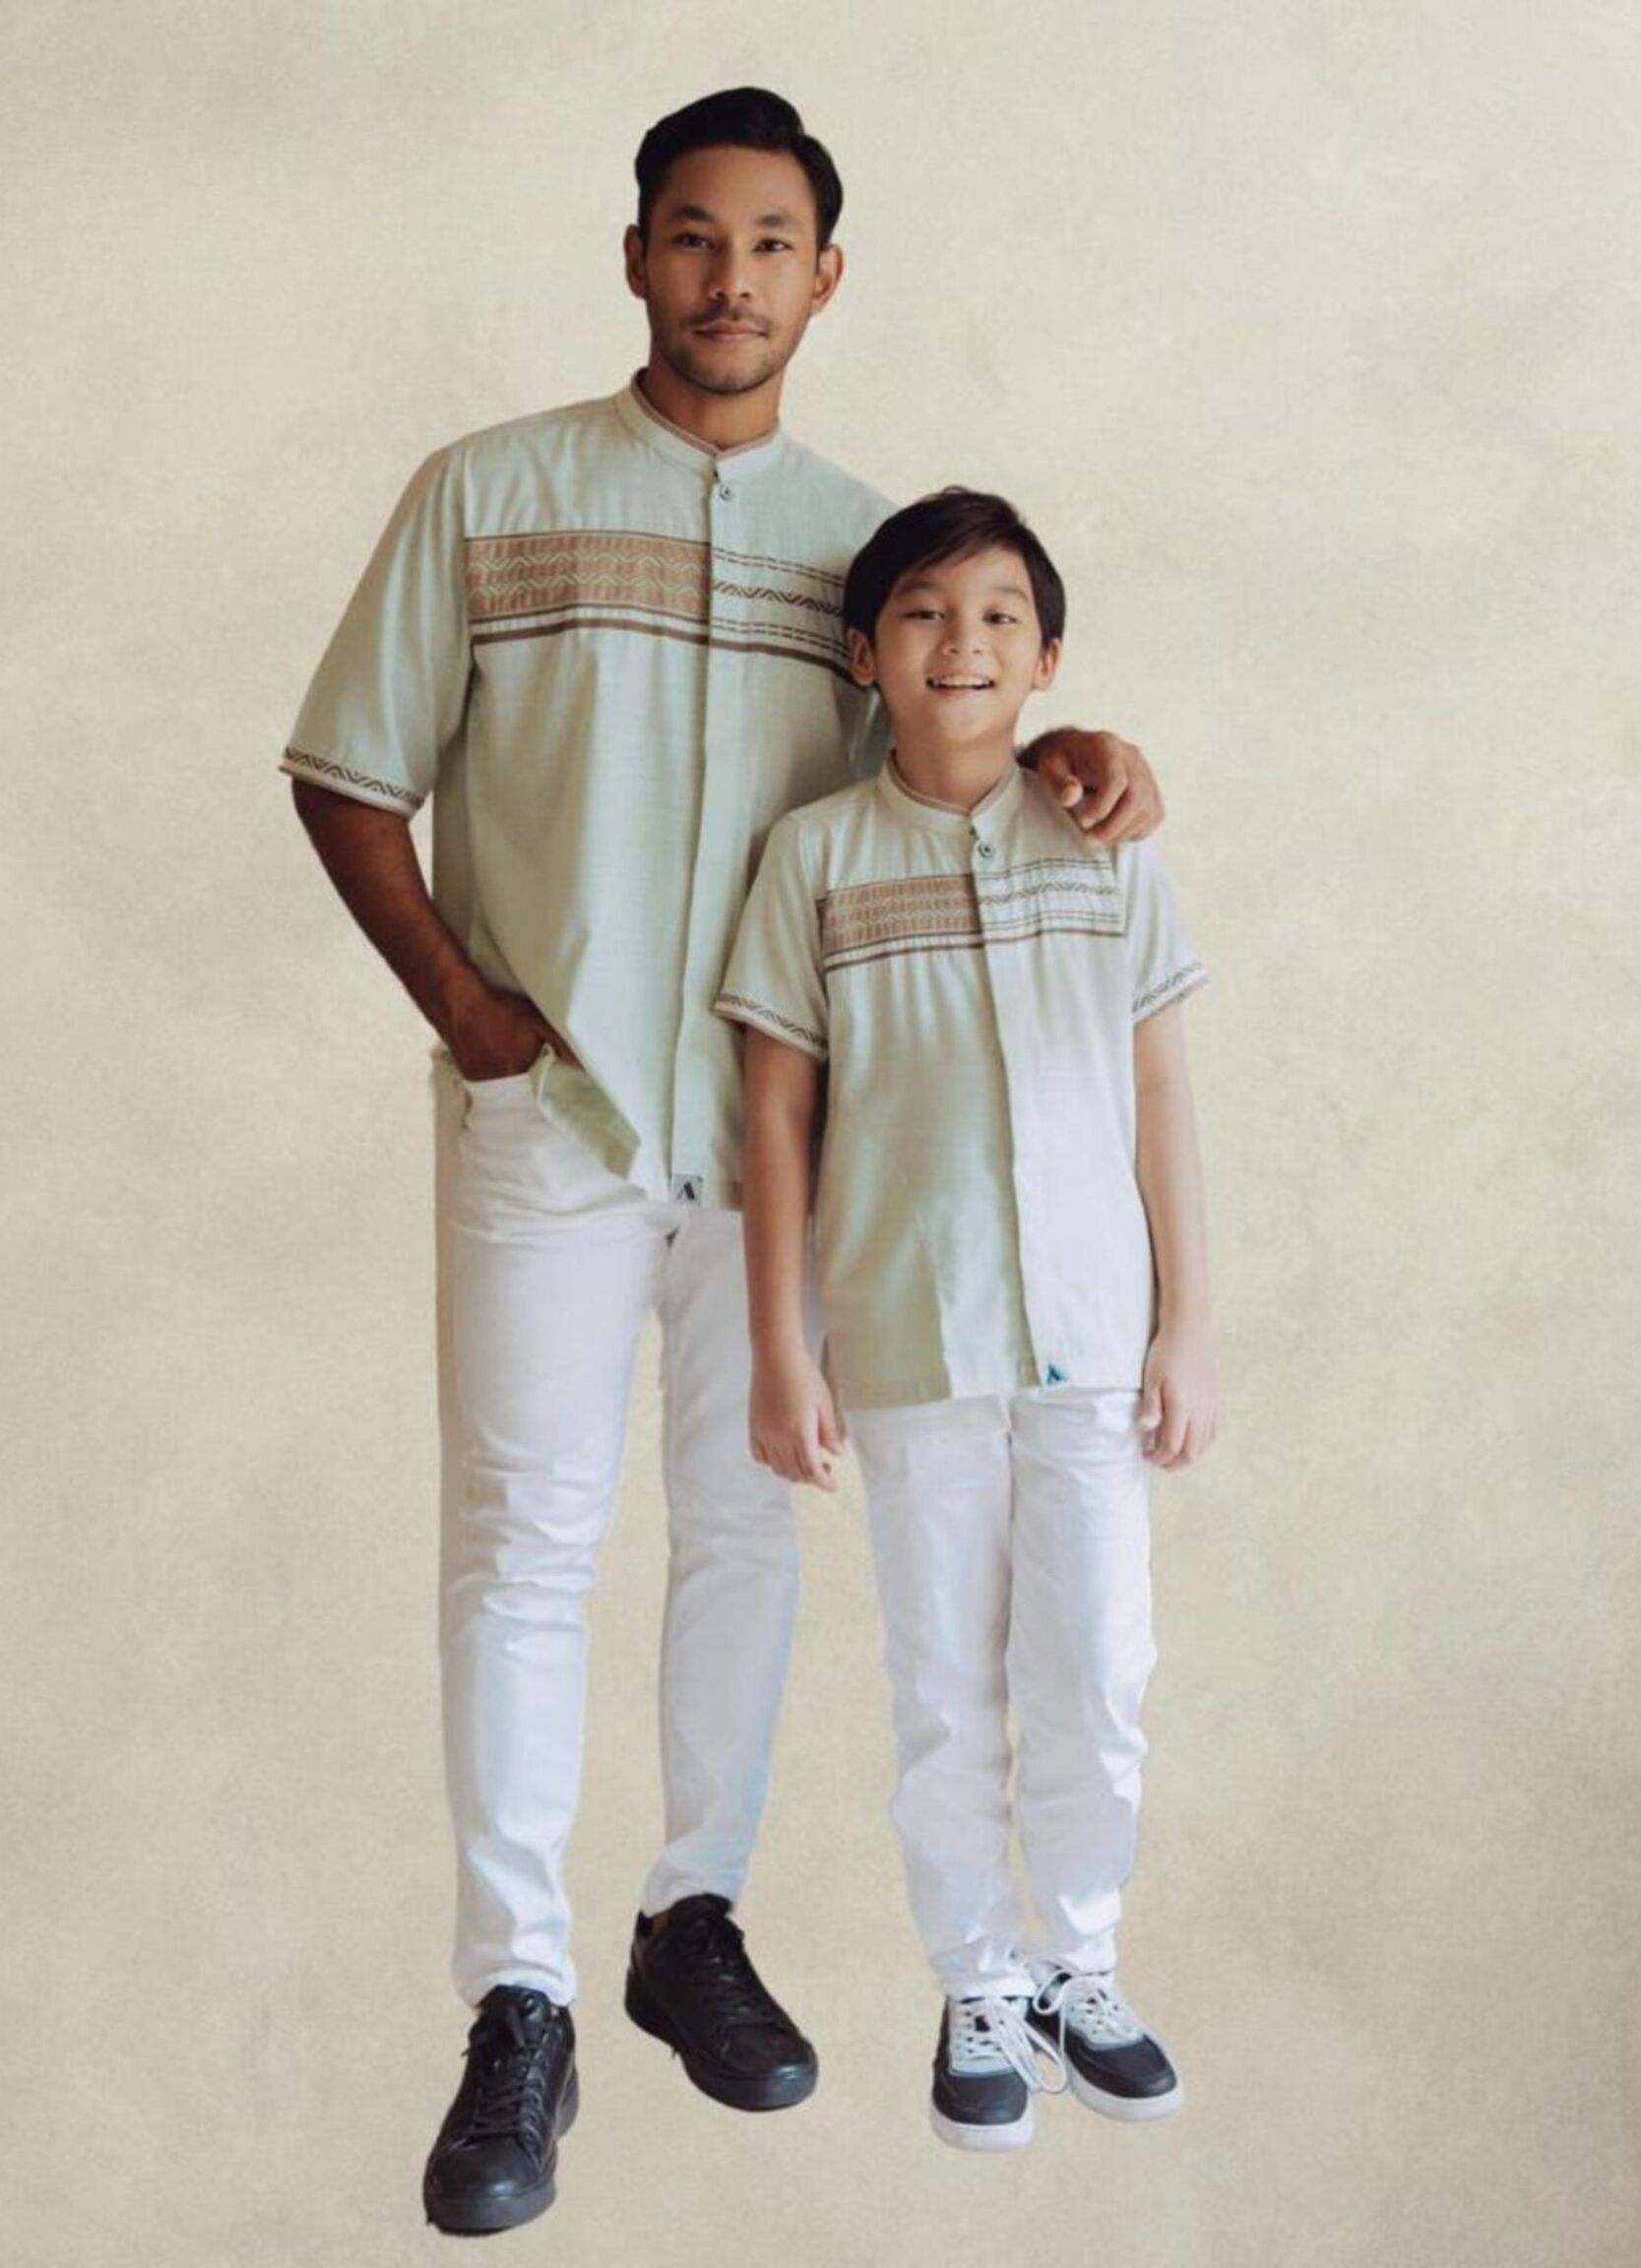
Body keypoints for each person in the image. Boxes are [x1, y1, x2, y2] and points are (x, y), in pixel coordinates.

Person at [282, 89, 1167, 2234]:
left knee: (749, 1532)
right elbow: (344, 774)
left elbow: (940, 764)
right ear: (636, 257)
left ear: (824, 277)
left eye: (774, 243)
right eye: (695, 235)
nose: (732, 277)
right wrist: (470, 1015)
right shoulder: (487, 495)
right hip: (554, 1116)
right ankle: (517, 1996)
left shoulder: (865, 553)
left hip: (786, 1153)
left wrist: (1070, 747)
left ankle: (693, 1919)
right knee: (524, 1542)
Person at [717, 487, 1218, 2152]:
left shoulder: (1108, 849)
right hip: (909, 1336)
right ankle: (978, 1980)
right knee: (945, 1686)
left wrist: (1187, 1324)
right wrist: (780, 1347)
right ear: (867, 655)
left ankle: (1081, 1960)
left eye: (1002, 615)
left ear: (1048, 657)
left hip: (1093, 1333)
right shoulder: (814, 860)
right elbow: (778, 1112)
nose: (965, 643)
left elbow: (1162, 1093)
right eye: (926, 612)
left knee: (1101, 1666)